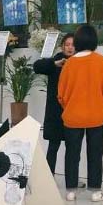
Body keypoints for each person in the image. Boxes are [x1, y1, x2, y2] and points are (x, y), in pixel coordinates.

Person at [58, 24, 103, 202]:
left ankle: (71, 190)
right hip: (96, 115)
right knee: (95, 153)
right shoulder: (101, 62)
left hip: (72, 116)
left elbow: (61, 94)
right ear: (94, 41)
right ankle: (95, 191)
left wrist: (69, 106)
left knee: (72, 153)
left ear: (76, 42)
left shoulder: (69, 64)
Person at [33, 33, 77, 174]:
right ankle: (48, 176)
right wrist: (54, 64)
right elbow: (37, 66)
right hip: (55, 111)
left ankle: (71, 179)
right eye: (67, 45)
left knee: (72, 149)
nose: (70, 48)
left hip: (73, 111)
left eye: (73, 45)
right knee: (53, 146)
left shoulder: (80, 62)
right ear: (62, 46)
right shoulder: (57, 60)